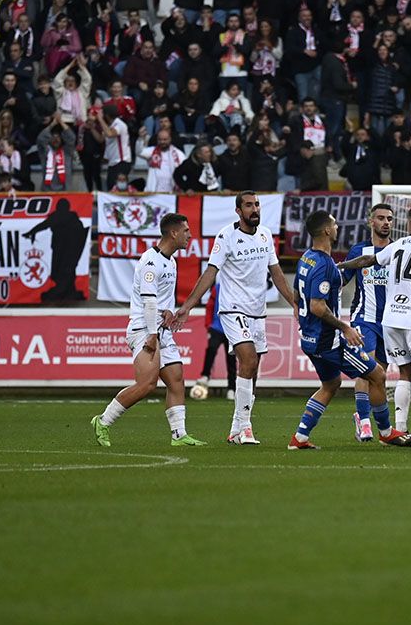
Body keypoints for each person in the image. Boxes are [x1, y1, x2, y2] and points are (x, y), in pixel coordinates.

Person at [287, 211, 411, 450]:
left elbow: (297, 293)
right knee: (377, 375)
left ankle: (300, 437)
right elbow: (317, 306)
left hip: (309, 339)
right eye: (334, 225)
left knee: (331, 384)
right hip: (329, 341)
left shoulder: (307, 258)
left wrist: (301, 313)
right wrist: (344, 327)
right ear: (327, 231)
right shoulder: (325, 264)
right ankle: (385, 431)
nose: (337, 227)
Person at [174, 192, 296, 445]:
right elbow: (210, 273)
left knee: (254, 370)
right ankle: (247, 427)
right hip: (232, 309)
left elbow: (277, 274)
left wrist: (295, 302)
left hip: (257, 311)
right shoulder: (226, 236)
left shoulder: (265, 235)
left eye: (257, 204)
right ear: (239, 211)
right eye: (249, 205)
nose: (255, 209)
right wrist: (187, 306)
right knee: (248, 360)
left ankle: (235, 429)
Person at [90, 214, 206, 448]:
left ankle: (179, 435)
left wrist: (169, 312)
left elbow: (160, 301)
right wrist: (152, 335)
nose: (190, 235)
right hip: (144, 329)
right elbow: (149, 302)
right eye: (186, 231)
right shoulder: (150, 261)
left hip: (160, 329)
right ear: (173, 233)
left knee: (176, 380)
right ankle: (102, 421)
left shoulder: (171, 261)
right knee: (147, 384)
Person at [338, 204, 411, 446]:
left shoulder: (397, 246)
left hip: (390, 321)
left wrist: (340, 266)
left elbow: (368, 260)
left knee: (403, 373)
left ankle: (399, 430)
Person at [342, 203, 395, 442]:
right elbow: (341, 279)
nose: (386, 222)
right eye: (381, 218)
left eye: (390, 219)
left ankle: (377, 422)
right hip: (364, 317)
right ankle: (364, 422)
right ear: (370, 222)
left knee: (380, 375)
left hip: (391, 321)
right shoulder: (359, 250)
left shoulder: (397, 251)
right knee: (367, 367)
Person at [192, 284, 237, 400]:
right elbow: (210, 306)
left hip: (232, 329)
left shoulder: (238, 286)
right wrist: (208, 325)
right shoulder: (218, 287)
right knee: (211, 349)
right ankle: (205, 375)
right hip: (217, 327)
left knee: (231, 359)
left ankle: (231, 388)